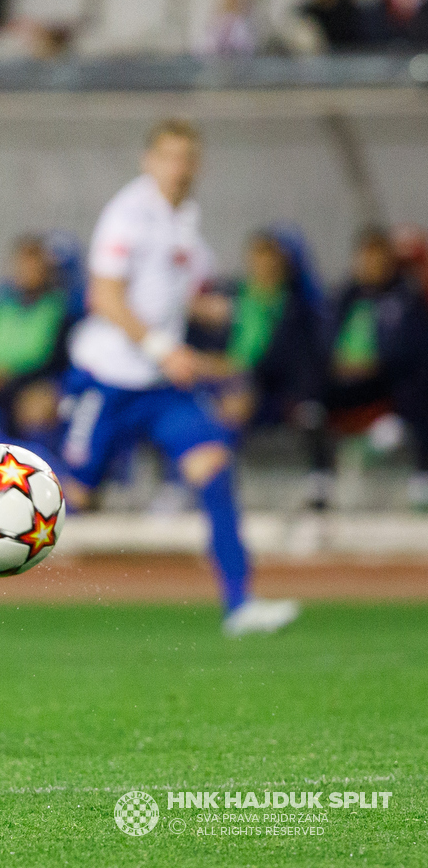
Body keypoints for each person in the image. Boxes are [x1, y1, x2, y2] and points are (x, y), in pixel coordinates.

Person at [60, 119, 298, 636]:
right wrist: (164, 348)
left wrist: (205, 308)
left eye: (188, 158)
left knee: (214, 467)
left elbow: (164, 289)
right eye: (169, 156)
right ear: (149, 161)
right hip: (109, 379)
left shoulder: (183, 216)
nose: (180, 168)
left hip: (161, 386)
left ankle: (240, 604)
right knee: (73, 498)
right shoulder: (129, 214)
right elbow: (105, 297)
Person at [209, 230, 329, 505]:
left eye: (271, 260)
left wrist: (250, 377)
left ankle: (319, 483)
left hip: (271, 387)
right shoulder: (230, 296)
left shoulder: (297, 307)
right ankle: (206, 484)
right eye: (258, 259)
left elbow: (298, 359)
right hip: (223, 379)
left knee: (310, 414)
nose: (264, 267)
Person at [314, 228, 428, 510]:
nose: (371, 267)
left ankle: (420, 477)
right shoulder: (345, 296)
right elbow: (325, 338)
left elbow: (409, 347)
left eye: (378, 260)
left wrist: (373, 364)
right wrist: (337, 362)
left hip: (389, 379)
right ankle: (319, 480)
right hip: (344, 378)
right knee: (310, 397)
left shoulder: (405, 299)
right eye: (365, 259)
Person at [0, 236, 73, 430]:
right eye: (22, 264)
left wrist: (6, 376)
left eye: (33, 265)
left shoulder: (59, 310)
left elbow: (55, 361)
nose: (26, 271)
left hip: (24, 384)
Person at [191, 0, 259, 58]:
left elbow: (246, 46)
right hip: (215, 59)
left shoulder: (243, 21)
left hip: (236, 60)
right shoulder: (216, 18)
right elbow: (203, 46)